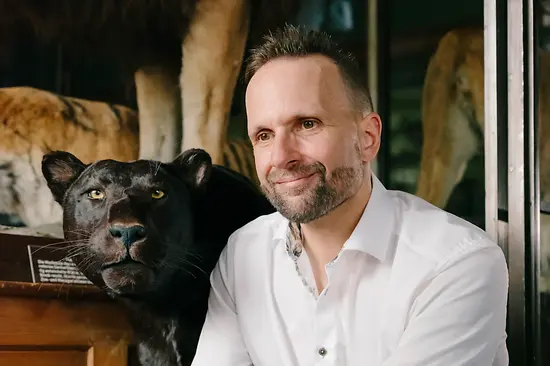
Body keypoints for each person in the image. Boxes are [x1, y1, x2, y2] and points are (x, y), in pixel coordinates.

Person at [190, 24, 509, 366]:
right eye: (264, 135)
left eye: (307, 124)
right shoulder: (242, 256)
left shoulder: (455, 262)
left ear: (368, 137)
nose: (281, 156)